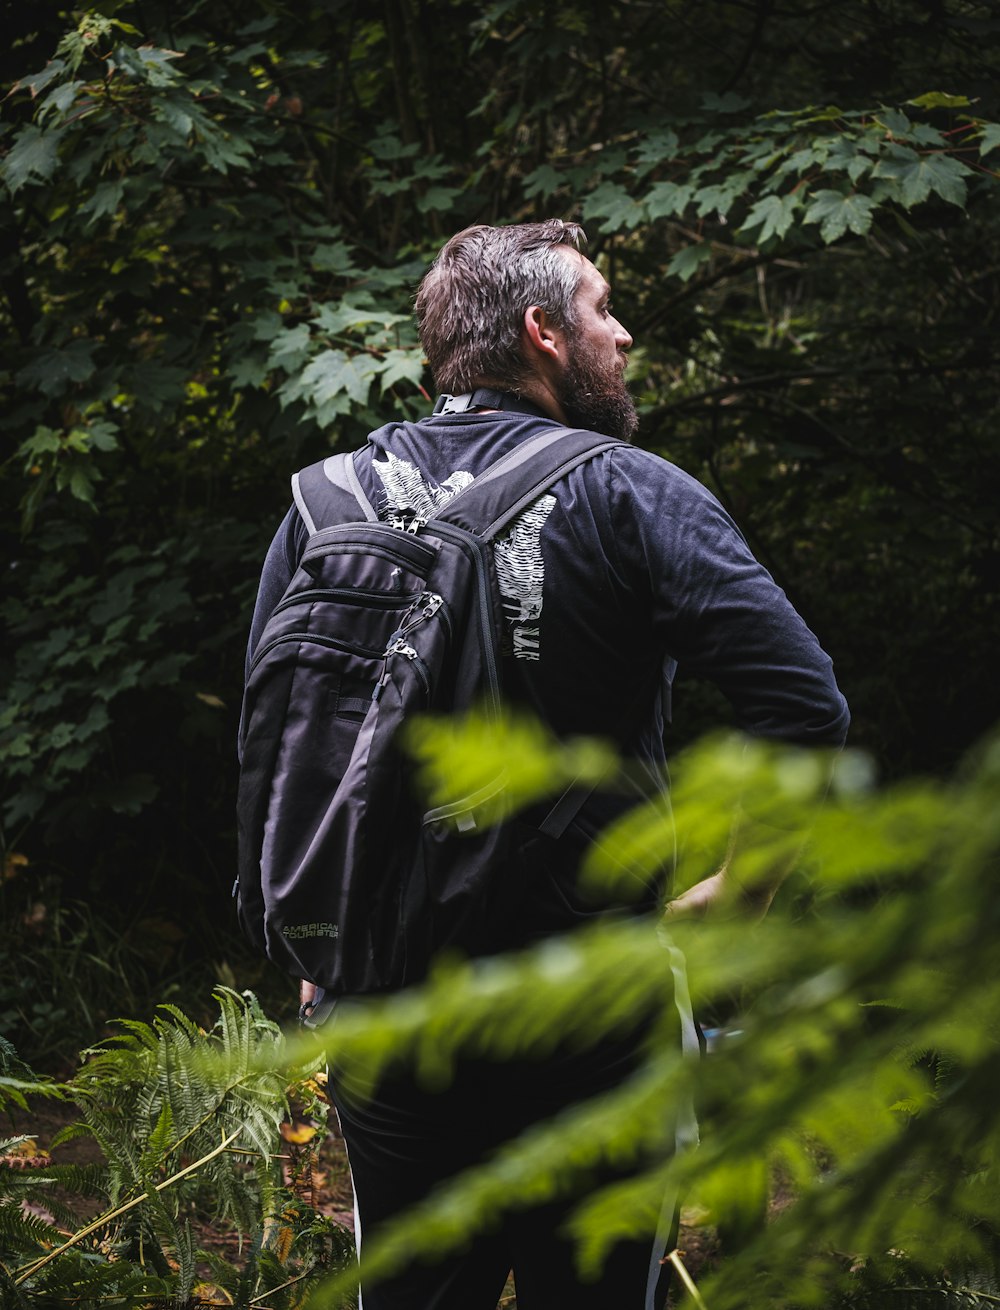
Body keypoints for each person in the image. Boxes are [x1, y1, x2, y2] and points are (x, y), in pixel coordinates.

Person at [243, 219, 850, 1309]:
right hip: (589, 1020)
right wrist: (744, 885)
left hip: (387, 1009)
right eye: (604, 307)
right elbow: (802, 703)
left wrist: (319, 930)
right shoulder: (630, 489)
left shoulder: (322, 501)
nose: (622, 333)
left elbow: (278, 741)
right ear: (544, 333)